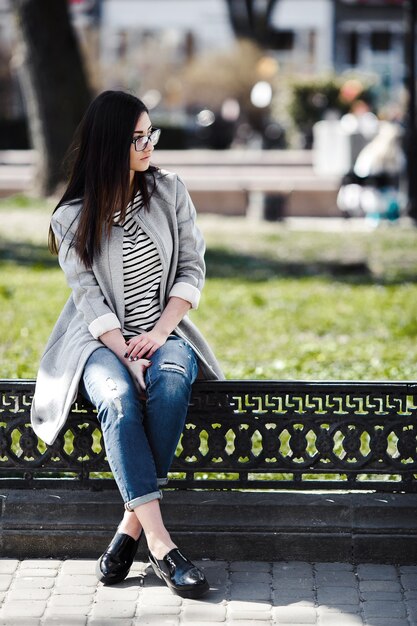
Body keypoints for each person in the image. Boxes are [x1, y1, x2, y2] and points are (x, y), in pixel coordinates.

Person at [30, 90, 223, 599]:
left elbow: (192, 267)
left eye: (150, 134)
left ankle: (130, 527)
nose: (148, 145)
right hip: (96, 341)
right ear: (111, 143)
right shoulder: (71, 216)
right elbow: (89, 298)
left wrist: (158, 336)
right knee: (117, 399)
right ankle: (162, 544)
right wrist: (123, 353)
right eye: (138, 137)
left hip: (166, 331)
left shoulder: (170, 191)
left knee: (172, 380)